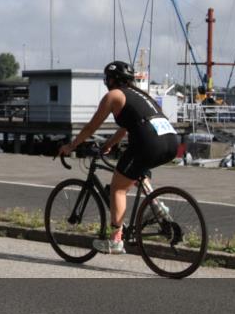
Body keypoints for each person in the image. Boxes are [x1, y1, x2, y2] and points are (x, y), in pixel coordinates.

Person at [58, 61, 179, 254]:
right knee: (137, 172)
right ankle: (157, 208)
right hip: (171, 142)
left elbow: (91, 128)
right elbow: (125, 128)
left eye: (107, 79)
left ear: (112, 79)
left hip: (148, 143)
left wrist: (71, 146)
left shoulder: (113, 96)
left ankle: (115, 240)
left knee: (117, 188)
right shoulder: (141, 95)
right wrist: (109, 144)